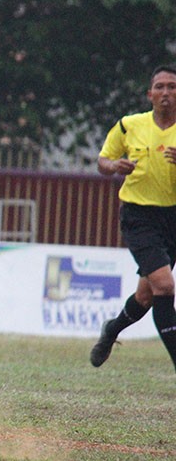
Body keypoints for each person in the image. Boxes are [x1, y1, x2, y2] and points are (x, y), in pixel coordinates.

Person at [90, 65, 176, 370]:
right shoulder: (130, 125)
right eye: (160, 87)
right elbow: (102, 161)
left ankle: (112, 329)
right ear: (149, 94)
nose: (166, 93)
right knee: (165, 286)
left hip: (173, 218)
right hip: (140, 216)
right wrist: (114, 167)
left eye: (172, 87)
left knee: (146, 296)